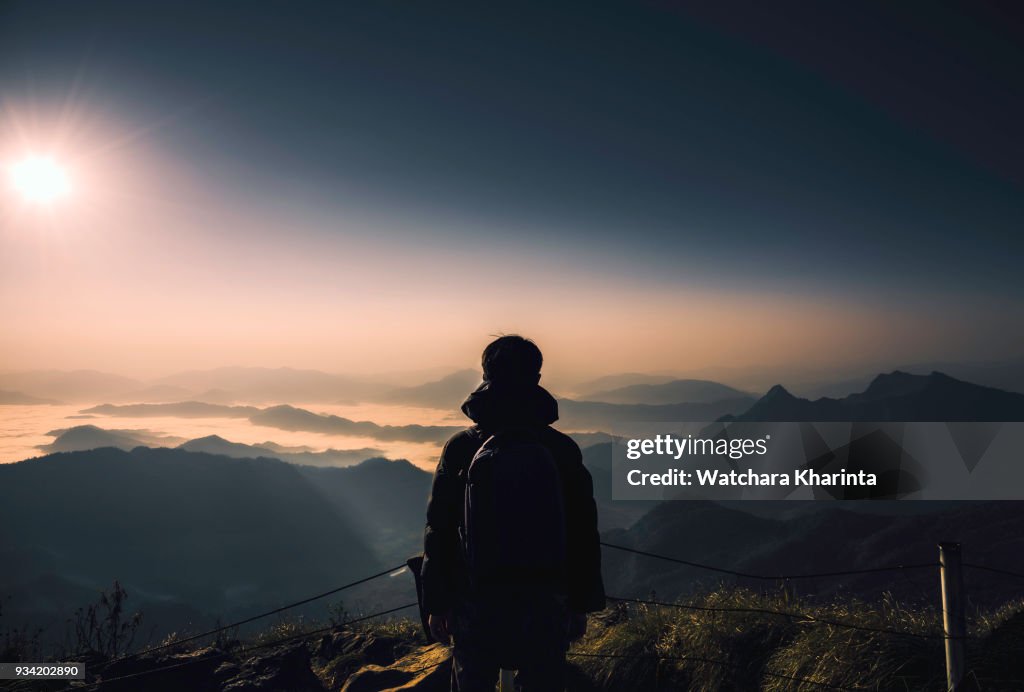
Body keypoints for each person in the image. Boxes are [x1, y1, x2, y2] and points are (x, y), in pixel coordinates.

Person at [421, 335, 605, 692]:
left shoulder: (462, 447)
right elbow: (583, 530)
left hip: (474, 598)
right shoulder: (561, 449)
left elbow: (439, 528)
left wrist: (438, 603)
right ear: (536, 377)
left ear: (486, 375)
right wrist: (581, 604)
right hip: (546, 599)